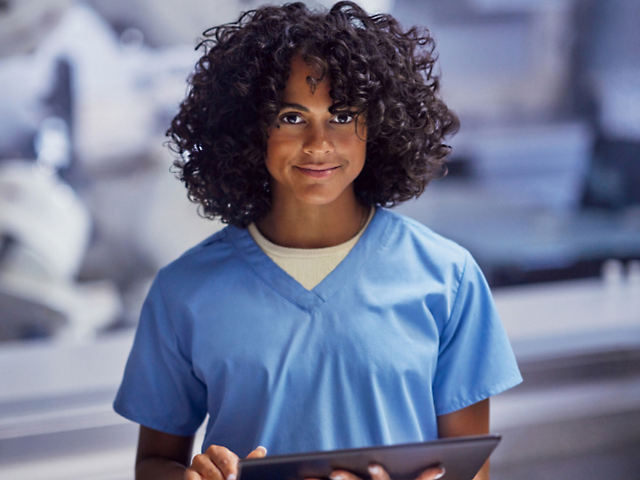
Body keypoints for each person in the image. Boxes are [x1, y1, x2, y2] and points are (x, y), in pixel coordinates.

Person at [113, 2, 522, 480]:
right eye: (291, 117)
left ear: (380, 125)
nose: (319, 143)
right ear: (251, 127)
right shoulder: (184, 291)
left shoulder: (448, 279)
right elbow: (153, 465)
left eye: (343, 116)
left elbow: (471, 467)